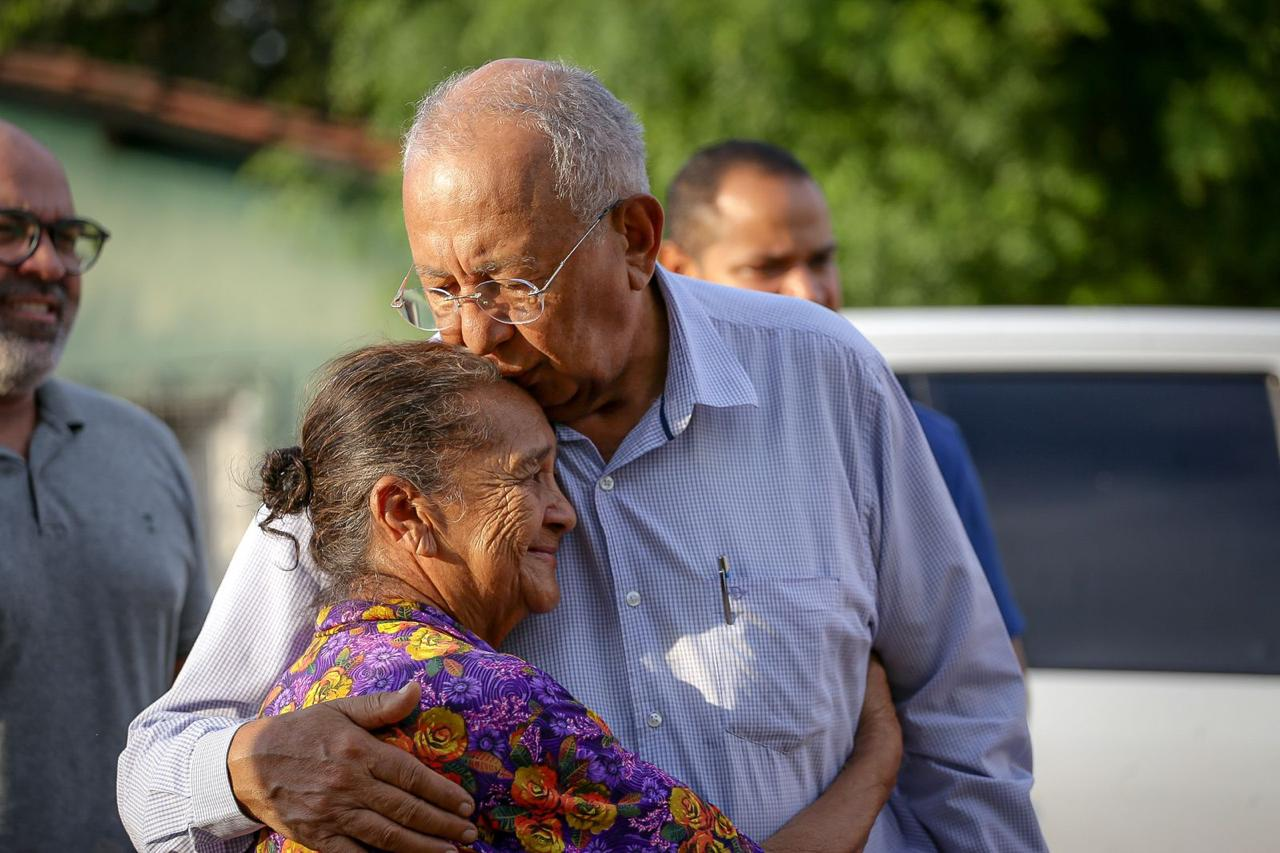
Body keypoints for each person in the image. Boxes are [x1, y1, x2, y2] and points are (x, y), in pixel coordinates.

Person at [120, 60, 1045, 852]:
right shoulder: (401, 437)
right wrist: (246, 769)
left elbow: (965, 712)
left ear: (636, 240)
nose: (471, 336)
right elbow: (155, 764)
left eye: (509, 286)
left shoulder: (824, 377)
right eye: (438, 288)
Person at [249, 339, 762, 852]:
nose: (564, 512)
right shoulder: (477, 693)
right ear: (404, 512)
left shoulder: (293, 696)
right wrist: (849, 782)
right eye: (529, 476)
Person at [658, 139, 1028, 661]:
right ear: (676, 268)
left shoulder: (914, 442)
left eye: (821, 260)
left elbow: (983, 683)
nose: (809, 291)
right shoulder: (631, 443)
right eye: (767, 266)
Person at [0, 121, 211, 849]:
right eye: (11, 229)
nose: (50, 265)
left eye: (67, 237)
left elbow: (201, 698)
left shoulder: (142, 447)